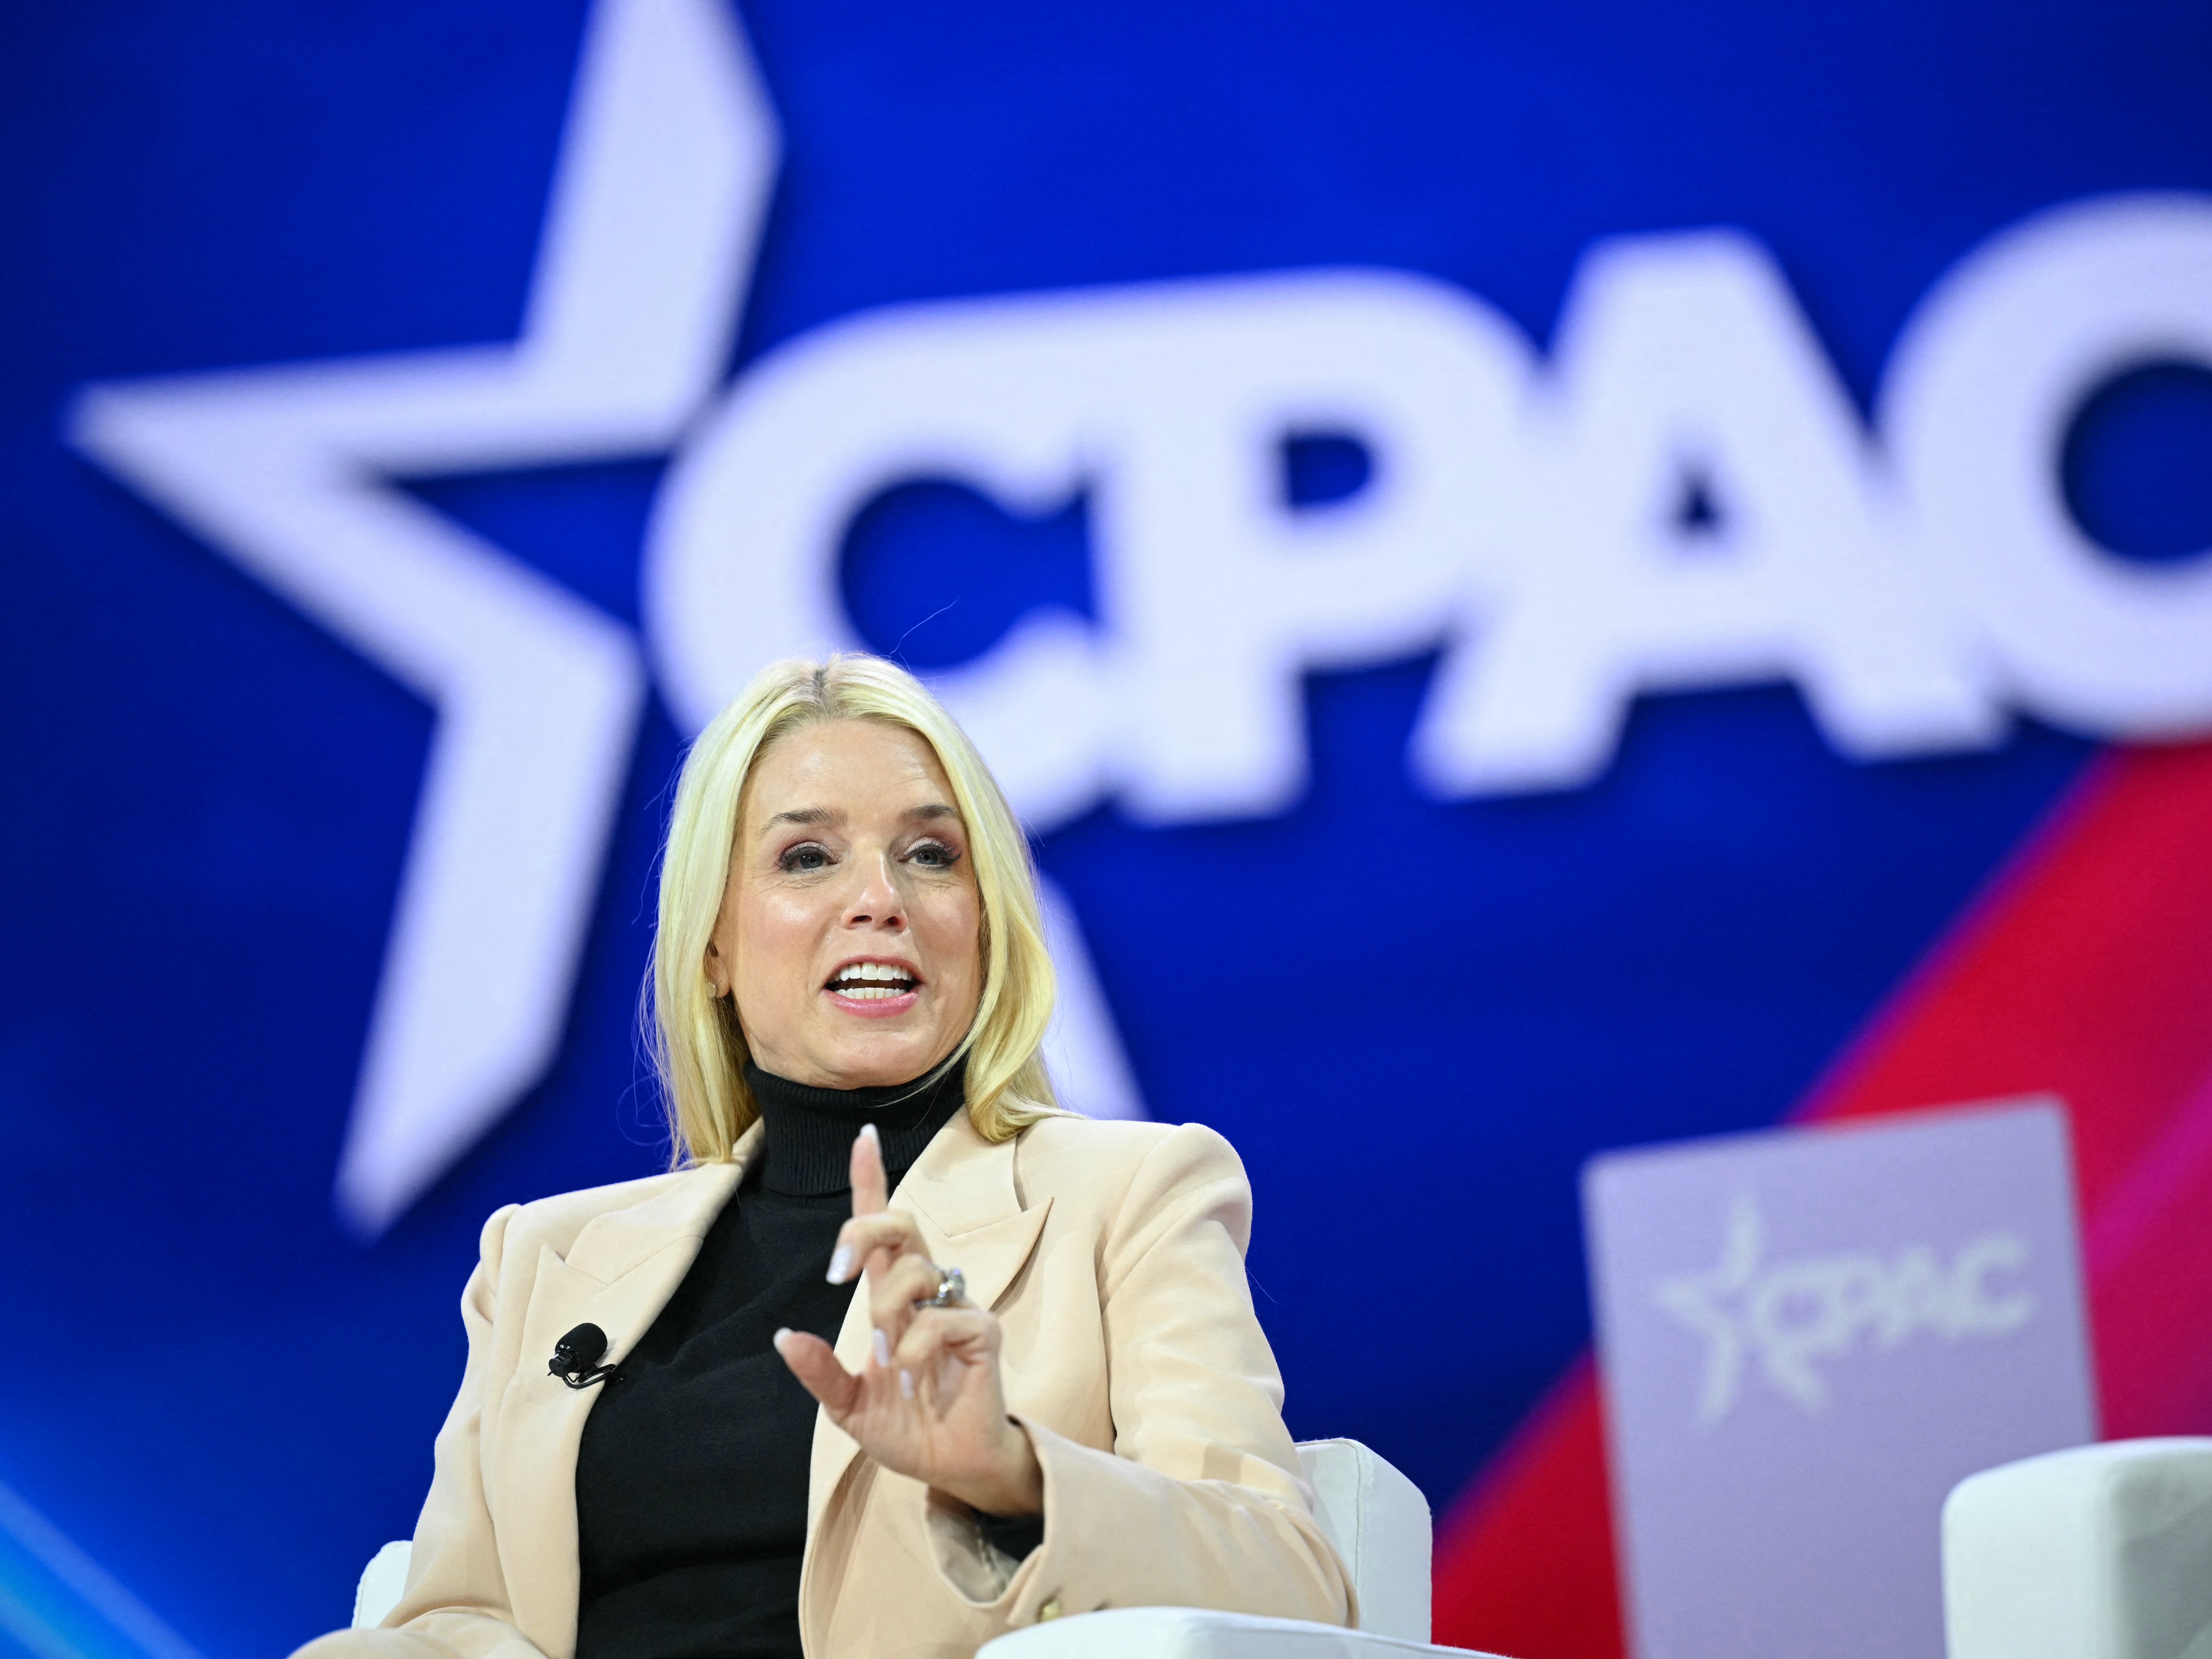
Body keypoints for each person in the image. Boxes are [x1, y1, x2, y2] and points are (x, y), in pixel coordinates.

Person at [295, 653, 1351, 1659]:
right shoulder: (539, 1259)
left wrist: (1017, 1480)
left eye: (932, 854)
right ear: (712, 942)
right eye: (807, 856)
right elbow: (452, 1620)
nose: (880, 899)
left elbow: (1290, 1585)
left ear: (985, 922)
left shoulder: (1128, 1196)